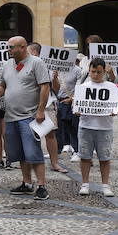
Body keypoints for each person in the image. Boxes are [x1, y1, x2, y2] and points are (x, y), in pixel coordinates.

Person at [0, 36, 51, 201]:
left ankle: (41, 185)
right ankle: (26, 183)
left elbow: (45, 86)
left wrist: (40, 110)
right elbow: (3, 83)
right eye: (8, 47)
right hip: (11, 116)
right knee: (19, 153)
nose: (8, 50)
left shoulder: (36, 63)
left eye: (11, 47)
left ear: (23, 47)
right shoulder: (7, 64)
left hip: (29, 115)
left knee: (33, 152)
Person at [75, 57, 118, 196]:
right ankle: (85, 184)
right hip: (85, 127)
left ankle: (105, 185)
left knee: (105, 158)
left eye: (99, 72)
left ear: (104, 72)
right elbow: (77, 107)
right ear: (89, 71)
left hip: (105, 128)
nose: (96, 75)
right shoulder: (83, 87)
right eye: (93, 72)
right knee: (85, 157)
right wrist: (77, 111)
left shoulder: (112, 87)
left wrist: (114, 111)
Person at [26, 43, 67, 174]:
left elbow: (56, 89)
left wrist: (54, 78)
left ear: (35, 53)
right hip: (29, 104)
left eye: (28, 51)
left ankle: (55, 163)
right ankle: (32, 162)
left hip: (48, 104)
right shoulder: (24, 65)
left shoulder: (48, 67)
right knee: (29, 134)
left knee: (50, 134)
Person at [57, 55, 84, 162]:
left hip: (71, 101)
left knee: (73, 125)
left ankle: (77, 150)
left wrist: (72, 98)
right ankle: (61, 147)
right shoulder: (58, 69)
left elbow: (79, 86)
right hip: (58, 100)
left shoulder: (77, 70)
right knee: (61, 125)